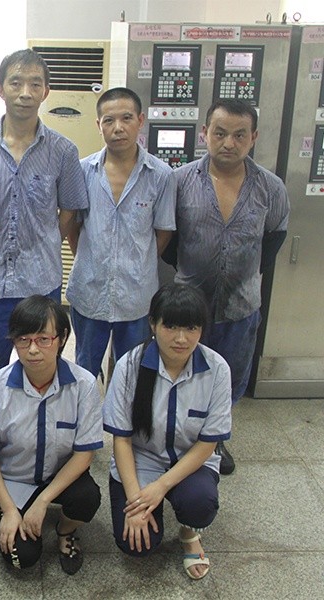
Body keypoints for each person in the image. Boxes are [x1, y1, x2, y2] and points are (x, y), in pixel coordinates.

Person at [171, 98, 289, 474]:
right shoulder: (180, 181)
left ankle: (215, 439)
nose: (229, 143)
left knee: (230, 376)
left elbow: (275, 236)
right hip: (189, 305)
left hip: (241, 305)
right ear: (205, 133)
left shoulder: (270, 187)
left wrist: (244, 274)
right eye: (220, 133)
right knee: (183, 372)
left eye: (240, 135)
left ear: (253, 138)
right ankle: (177, 437)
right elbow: (168, 239)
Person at [0, 49, 89, 382]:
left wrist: (46, 241)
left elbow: (70, 209)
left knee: (42, 370)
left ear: (46, 91)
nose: (25, 93)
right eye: (16, 83)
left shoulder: (63, 151)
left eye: (35, 84)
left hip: (41, 283)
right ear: (1, 89)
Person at [103, 283, 232, 580]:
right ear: (153, 324)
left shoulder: (217, 369)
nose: (181, 338)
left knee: (199, 502)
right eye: (170, 326)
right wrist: (136, 502)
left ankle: (189, 533)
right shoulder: (129, 366)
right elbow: (121, 440)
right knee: (136, 545)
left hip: (190, 462)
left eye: (191, 328)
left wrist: (160, 487)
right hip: (141, 460)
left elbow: (207, 443)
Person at [0, 295, 102, 574]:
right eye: (24, 339)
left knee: (88, 498)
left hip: (60, 477)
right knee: (23, 559)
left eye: (43, 339)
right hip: (12, 482)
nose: (33, 349)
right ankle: (14, 512)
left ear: (62, 338)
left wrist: (44, 500)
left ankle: (65, 529)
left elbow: (84, 454)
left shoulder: (84, 385)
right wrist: (9, 509)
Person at [65, 87, 175, 379]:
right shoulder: (82, 171)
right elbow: (73, 227)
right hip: (89, 292)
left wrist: (138, 262)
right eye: (109, 120)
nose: (118, 128)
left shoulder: (161, 175)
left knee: (131, 373)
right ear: (98, 125)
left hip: (136, 296)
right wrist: (91, 260)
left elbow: (163, 232)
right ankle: (88, 410)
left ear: (140, 121)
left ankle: (123, 412)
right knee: (85, 370)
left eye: (126, 118)